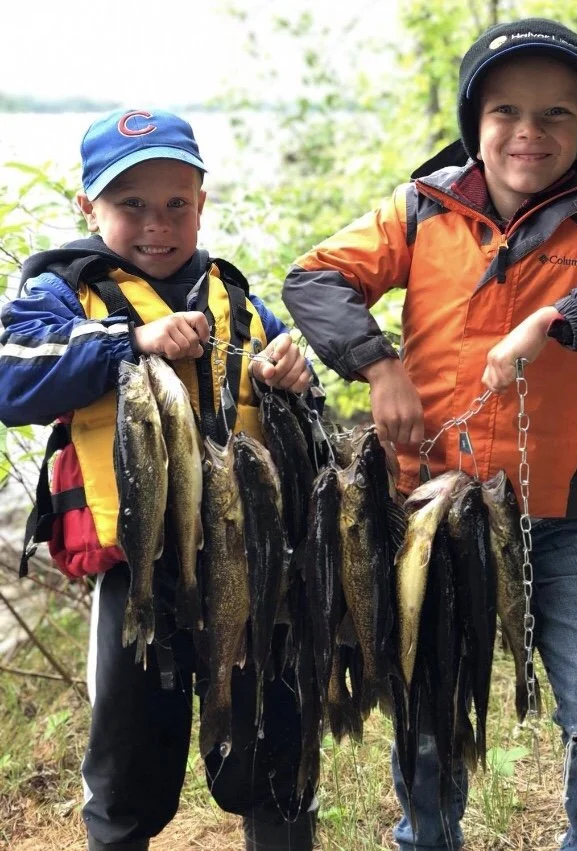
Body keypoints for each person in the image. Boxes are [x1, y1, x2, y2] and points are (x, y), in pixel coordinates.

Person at [283, 18, 577, 851]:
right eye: (506, 110)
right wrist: (378, 366)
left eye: (557, 114)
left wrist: (554, 318)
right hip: (425, 519)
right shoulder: (421, 208)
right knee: (431, 719)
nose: (529, 132)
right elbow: (315, 278)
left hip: (545, 528)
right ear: (474, 121)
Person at [0, 109, 318, 851]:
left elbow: (297, 411)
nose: (157, 223)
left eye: (177, 202)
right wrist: (129, 340)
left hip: (250, 563)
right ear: (89, 208)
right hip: (139, 569)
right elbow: (11, 378)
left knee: (274, 749)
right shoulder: (63, 291)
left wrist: (291, 377)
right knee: (128, 767)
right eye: (130, 204)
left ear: (203, 201)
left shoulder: (235, 299)